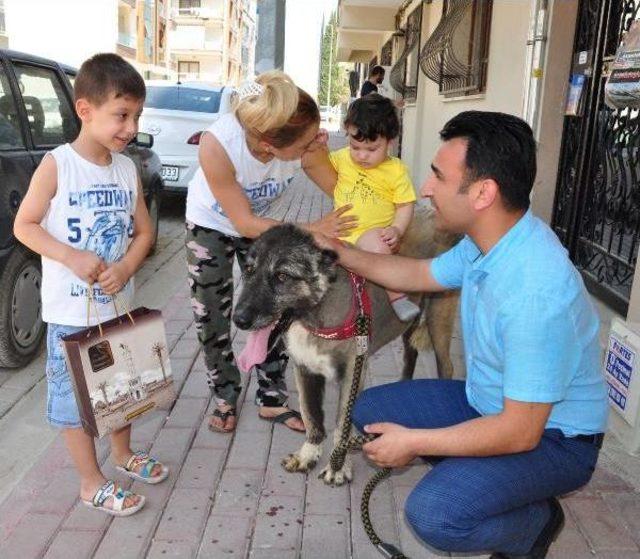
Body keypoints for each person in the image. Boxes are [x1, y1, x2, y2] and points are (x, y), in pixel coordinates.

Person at [315, 111, 608, 558]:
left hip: (555, 438)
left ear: (483, 193)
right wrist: (340, 251)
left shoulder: (535, 291)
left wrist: (415, 442)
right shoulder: (488, 241)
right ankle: (491, 480)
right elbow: (418, 272)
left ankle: (534, 523)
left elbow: (520, 431)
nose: (426, 188)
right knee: (372, 412)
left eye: (437, 176)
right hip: (488, 402)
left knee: (436, 514)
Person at [13, 53, 168, 517]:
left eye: (137, 116)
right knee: (73, 403)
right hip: (70, 317)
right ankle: (89, 482)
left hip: (118, 308)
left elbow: (145, 233)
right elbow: (25, 226)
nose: (131, 127)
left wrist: (125, 267)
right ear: (85, 110)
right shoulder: (58, 165)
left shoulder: (126, 169)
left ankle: (122, 456)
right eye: (122, 115)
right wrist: (71, 256)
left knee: (123, 392)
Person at [185, 71, 356, 434]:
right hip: (211, 225)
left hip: (267, 223)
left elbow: (344, 193)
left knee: (278, 304)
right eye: (309, 140)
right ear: (267, 145)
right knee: (212, 315)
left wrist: (386, 219)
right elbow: (245, 223)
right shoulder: (218, 144)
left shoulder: (305, 145)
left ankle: (272, 398)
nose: (317, 142)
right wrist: (313, 229)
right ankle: (225, 395)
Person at [304, 94, 420, 321]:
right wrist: (321, 144)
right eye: (355, 147)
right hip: (340, 233)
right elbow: (324, 161)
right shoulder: (344, 158)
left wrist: (397, 229)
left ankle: (396, 297)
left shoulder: (396, 170)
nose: (362, 155)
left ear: (391, 141)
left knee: (378, 247)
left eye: (372, 149)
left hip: (371, 235)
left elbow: (405, 205)